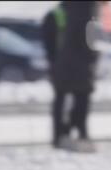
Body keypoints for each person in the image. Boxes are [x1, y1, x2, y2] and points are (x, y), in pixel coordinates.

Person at [41, 1, 101, 152]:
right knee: (81, 101)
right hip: (81, 65)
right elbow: (90, 41)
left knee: (62, 100)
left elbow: (48, 37)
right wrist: (93, 58)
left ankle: (60, 136)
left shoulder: (60, 11)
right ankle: (80, 134)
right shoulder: (89, 10)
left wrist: (53, 60)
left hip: (62, 65)